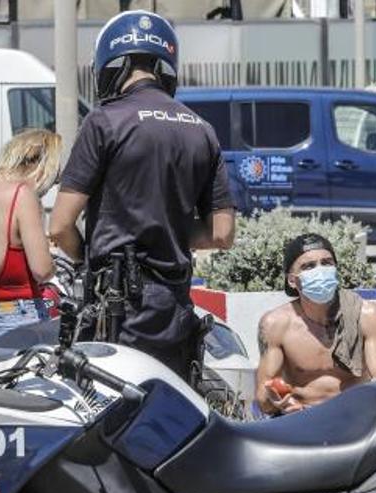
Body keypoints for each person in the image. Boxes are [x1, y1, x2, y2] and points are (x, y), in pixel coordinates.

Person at [49, 10, 236, 381]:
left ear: (110, 64)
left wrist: (84, 256)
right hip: (174, 308)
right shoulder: (202, 130)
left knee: (112, 419)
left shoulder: (105, 121)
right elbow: (222, 233)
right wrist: (169, 227)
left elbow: (59, 225)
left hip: (118, 307)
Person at [255, 234, 376, 416]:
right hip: (302, 419)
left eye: (326, 263)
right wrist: (281, 402)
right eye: (308, 266)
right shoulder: (275, 325)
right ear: (292, 280)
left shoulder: (366, 315)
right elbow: (264, 398)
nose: (320, 271)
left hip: (356, 415)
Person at [0, 129, 62, 353]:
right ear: (42, 166)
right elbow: (42, 271)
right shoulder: (22, 196)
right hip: (19, 318)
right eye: (56, 175)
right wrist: (51, 260)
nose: (54, 183)